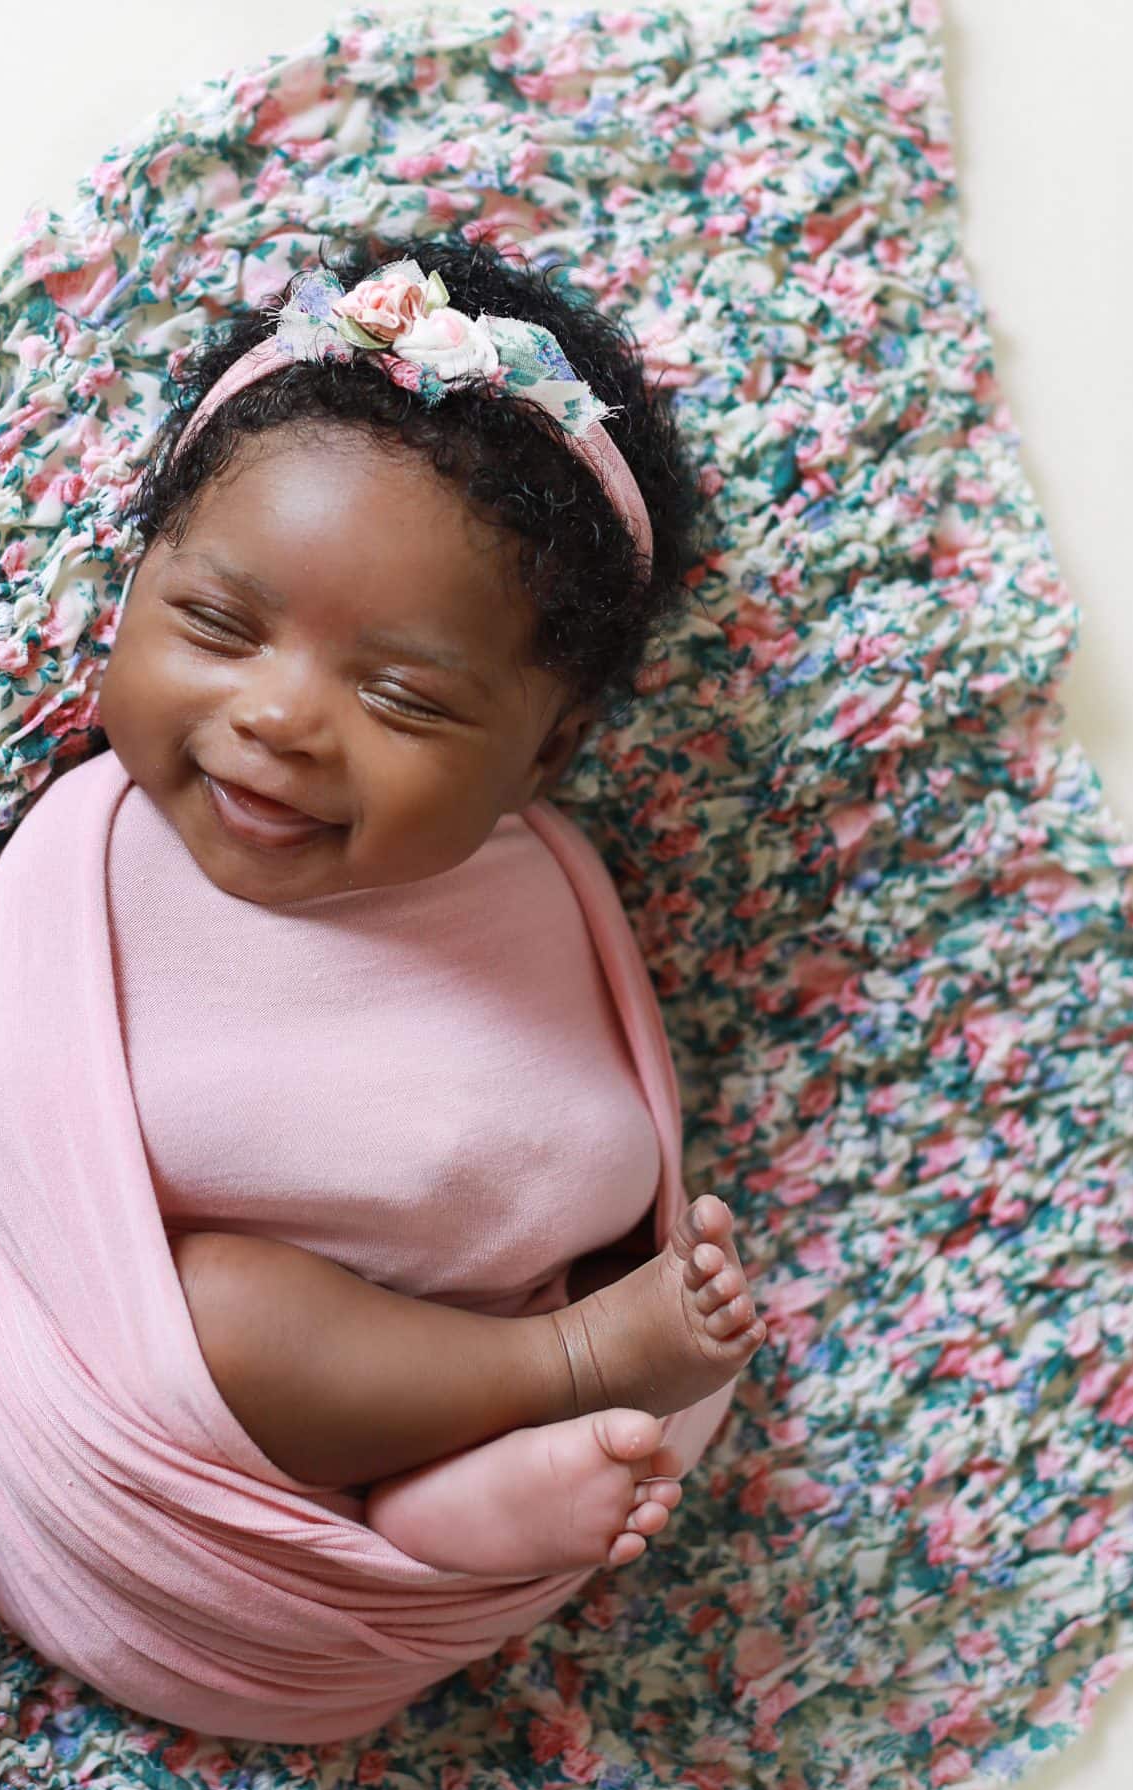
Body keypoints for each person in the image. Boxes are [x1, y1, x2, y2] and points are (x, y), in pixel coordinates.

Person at [86, 231, 768, 1580]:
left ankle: (469, 1494)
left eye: (398, 698)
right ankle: (544, 1376)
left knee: (655, 1328)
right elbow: (24, 1159)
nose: (275, 718)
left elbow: (586, 1127)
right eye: (216, 627)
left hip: (483, 1361)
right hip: (192, 1418)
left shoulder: (541, 877)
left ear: (545, 757)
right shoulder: (82, 857)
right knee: (215, 1313)